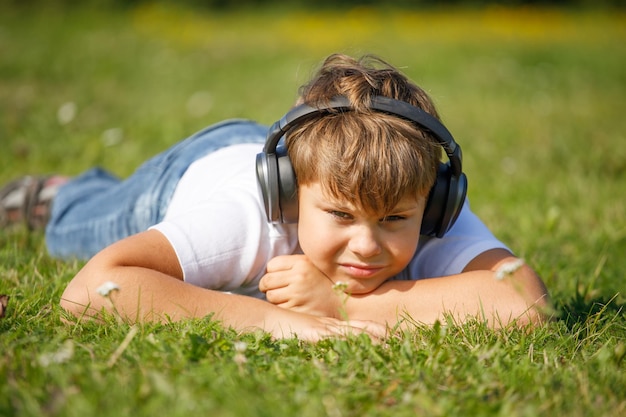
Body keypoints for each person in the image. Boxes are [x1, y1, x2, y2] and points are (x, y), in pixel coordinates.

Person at [0, 53, 549, 341]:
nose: (366, 245)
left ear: (435, 203)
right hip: (194, 173)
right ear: (286, 192)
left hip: (292, 156)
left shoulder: (413, 191)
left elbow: (523, 305)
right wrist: (274, 322)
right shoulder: (247, 216)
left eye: (393, 219)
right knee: (81, 225)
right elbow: (91, 292)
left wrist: (343, 302)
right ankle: (63, 192)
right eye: (339, 214)